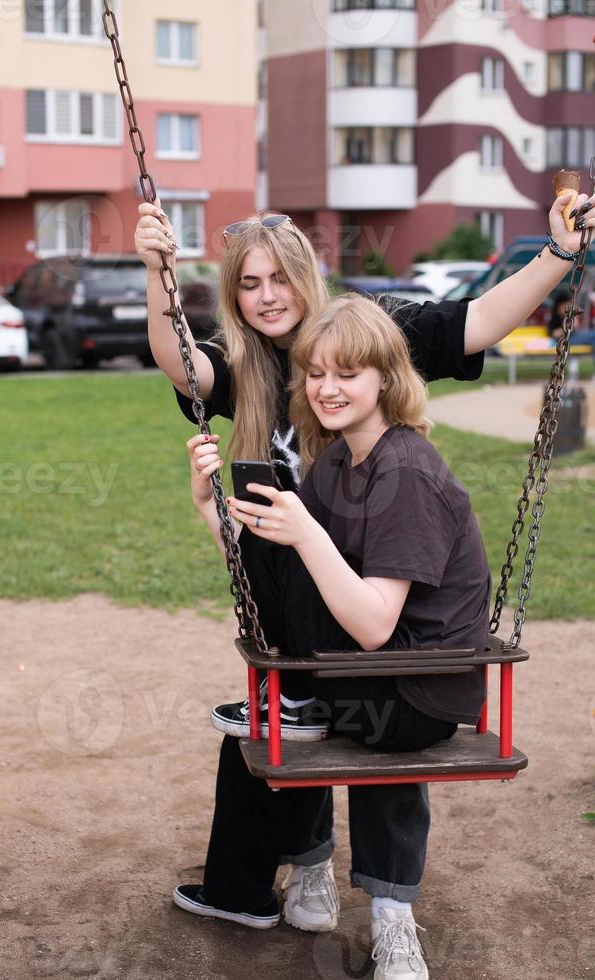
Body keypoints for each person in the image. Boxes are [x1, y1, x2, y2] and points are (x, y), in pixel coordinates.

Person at [134, 193, 595, 935]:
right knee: (285, 706)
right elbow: (181, 365)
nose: (266, 298)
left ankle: (380, 900)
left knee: (368, 707)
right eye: (248, 286)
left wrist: (559, 256)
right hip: (324, 605)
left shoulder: (372, 335)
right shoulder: (249, 367)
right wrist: (156, 270)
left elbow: (476, 319)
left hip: (383, 610)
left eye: (278, 279)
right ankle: (300, 868)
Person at [178, 292, 492, 978]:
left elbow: (377, 625)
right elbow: (271, 581)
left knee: (304, 718)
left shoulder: (403, 469)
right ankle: (313, 860)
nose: (326, 388)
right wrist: (211, 510)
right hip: (367, 675)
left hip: (417, 691)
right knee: (276, 540)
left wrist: (306, 532)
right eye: (315, 373)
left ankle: (391, 921)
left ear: (386, 378)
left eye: (347, 373)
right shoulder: (336, 464)